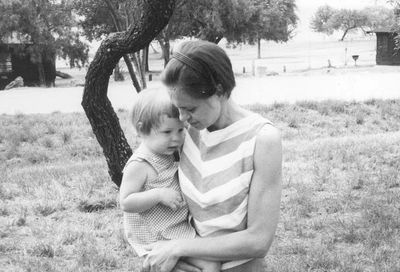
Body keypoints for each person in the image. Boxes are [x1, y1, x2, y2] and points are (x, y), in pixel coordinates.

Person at [141, 40, 283, 272]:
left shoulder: (262, 139)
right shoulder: (183, 131)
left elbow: (259, 240)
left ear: (219, 90)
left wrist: (178, 248)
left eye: (191, 108)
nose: (183, 117)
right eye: (178, 107)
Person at [120, 88, 221, 272]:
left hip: (178, 230)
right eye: (167, 132)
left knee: (212, 264)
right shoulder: (140, 164)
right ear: (142, 129)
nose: (176, 138)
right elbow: (126, 202)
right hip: (156, 237)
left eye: (180, 130)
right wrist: (157, 194)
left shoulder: (169, 152)